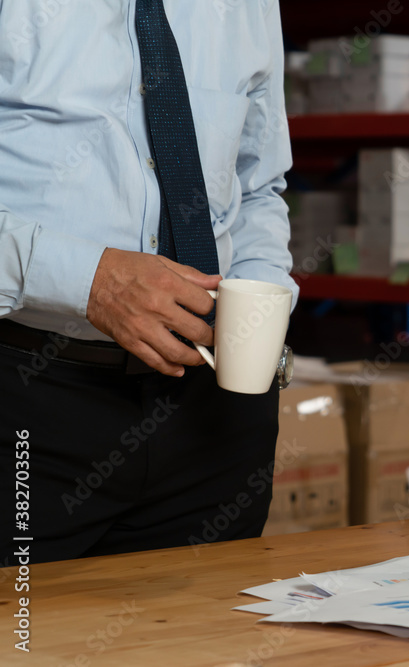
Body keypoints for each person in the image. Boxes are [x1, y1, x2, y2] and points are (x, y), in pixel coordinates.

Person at [0, 1, 297, 562]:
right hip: (29, 402)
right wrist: (89, 280)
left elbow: (259, 185)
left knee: (199, 640)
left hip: (216, 416)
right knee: (22, 641)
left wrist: (259, 313)